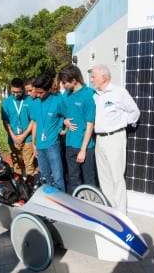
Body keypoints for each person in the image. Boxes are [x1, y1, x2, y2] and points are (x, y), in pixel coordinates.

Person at [91, 64, 140, 214]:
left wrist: (121, 123)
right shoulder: (95, 96)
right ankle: (110, 211)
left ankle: (121, 214)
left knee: (117, 177)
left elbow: (134, 112)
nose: (92, 80)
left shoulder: (119, 92)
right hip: (100, 139)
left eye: (94, 77)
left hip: (115, 138)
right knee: (104, 177)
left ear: (103, 77)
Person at [58, 64, 98, 194]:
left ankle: (92, 208)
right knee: (74, 179)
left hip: (85, 147)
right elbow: (61, 114)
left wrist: (83, 150)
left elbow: (90, 125)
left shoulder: (89, 95)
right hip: (70, 145)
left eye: (65, 83)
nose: (63, 86)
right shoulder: (66, 96)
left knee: (89, 181)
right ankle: (76, 208)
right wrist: (64, 121)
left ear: (74, 80)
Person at [31, 74, 65, 191]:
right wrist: (33, 144)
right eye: (37, 92)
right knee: (45, 177)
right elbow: (35, 123)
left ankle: (61, 202)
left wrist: (62, 129)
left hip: (53, 144)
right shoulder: (35, 103)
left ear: (49, 89)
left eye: (41, 93)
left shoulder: (57, 101)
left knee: (58, 177)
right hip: (40, 145)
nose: (38, 95)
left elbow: (66, 116)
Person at [1, 77, 36, 181]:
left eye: (18, 92)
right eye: (13, 92)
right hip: (13, 139)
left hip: (28, 139)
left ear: (23, 90)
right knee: (16, 165)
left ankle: (30, 187)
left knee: (29, 165)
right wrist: (14, 137)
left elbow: (33, 120)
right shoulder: (6, 102)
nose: (15, 94)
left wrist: (23, 136)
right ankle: (19, 186)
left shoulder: (29, 101)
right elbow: (5, 122)